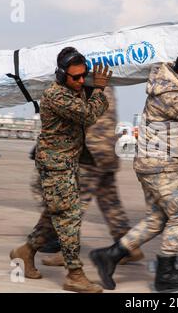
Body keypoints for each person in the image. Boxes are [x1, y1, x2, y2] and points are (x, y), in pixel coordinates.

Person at [89, 49, 178, 291]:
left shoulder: (170, 80)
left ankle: (110, 256)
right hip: (160, 166)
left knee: (156, 220)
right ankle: (165, 273)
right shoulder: (172, 95)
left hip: (153, 163)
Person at [10, 47, 111, 293]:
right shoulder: (56, 95)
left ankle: (24, 252)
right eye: (74, 77)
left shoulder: (72, 91)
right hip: (55, 165)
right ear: (60, 75)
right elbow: (88, 115)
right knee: (68, 218)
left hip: (67, 163)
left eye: (82, 77)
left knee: (54, 215)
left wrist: (90, 88)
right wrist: (98, 88)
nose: (79, 81)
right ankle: (74, 275)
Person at [40, 86, 144, 266]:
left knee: (71, 204)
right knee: (110, 204)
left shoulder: (85, 84)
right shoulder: (107, 85)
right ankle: (129, 247)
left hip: (91, 151)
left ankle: (67, 252)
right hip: (107, 150)